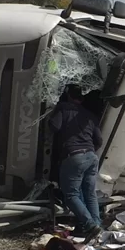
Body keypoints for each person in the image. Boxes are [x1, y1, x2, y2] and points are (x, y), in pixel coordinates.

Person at [48, 85, 104, 238]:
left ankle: (90, 226)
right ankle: (97, 226)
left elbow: (53, 127)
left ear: (67, 96)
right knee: (90, 193)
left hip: (73, 156)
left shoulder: (63, 109)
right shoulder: (90, 115)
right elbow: (99, 140)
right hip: (92, 157)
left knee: (71, 195)